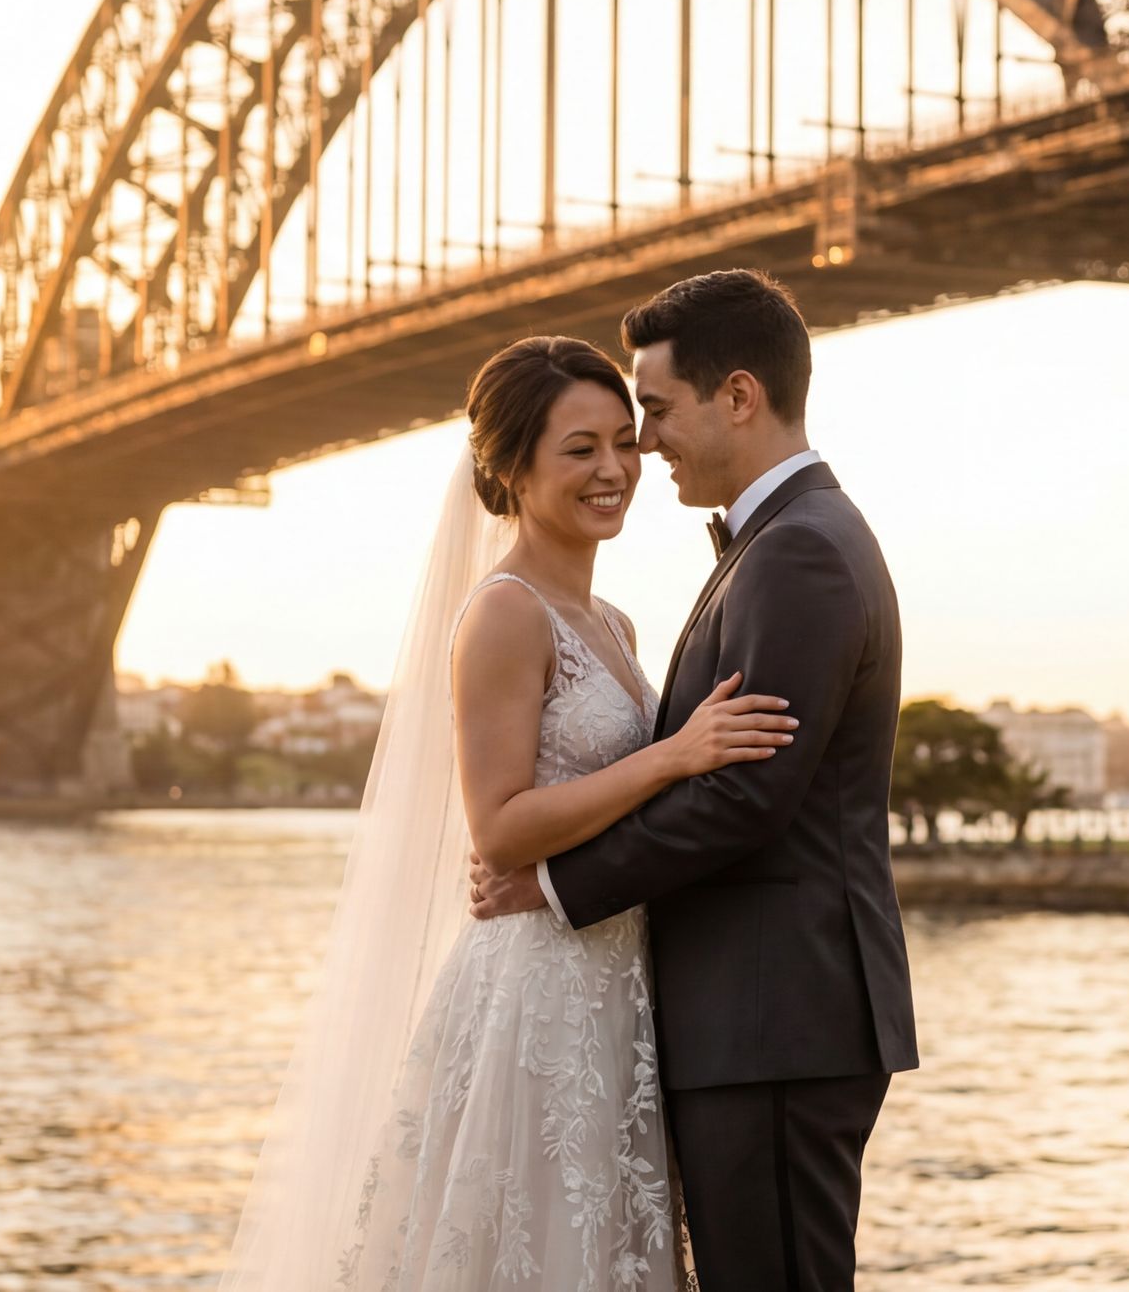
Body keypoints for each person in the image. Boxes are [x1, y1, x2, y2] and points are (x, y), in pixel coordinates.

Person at [217, 331, 803, 1291]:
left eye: (625, 441)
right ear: (510, 471)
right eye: (580, 450)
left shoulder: (612, 625)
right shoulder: (504, 613)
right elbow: (497, 827)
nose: (615, 469)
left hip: (618, 987)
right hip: (536, 994)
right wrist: (672, 754)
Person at [471, 269, 913, 1291]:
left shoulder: (796, 550)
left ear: (741, 397)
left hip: (773, 1018)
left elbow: (745, 797)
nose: (643, 446)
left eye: (652, 416)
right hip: (757, 1015)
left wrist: (550, 887)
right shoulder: (782, 542)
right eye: (606, 439)